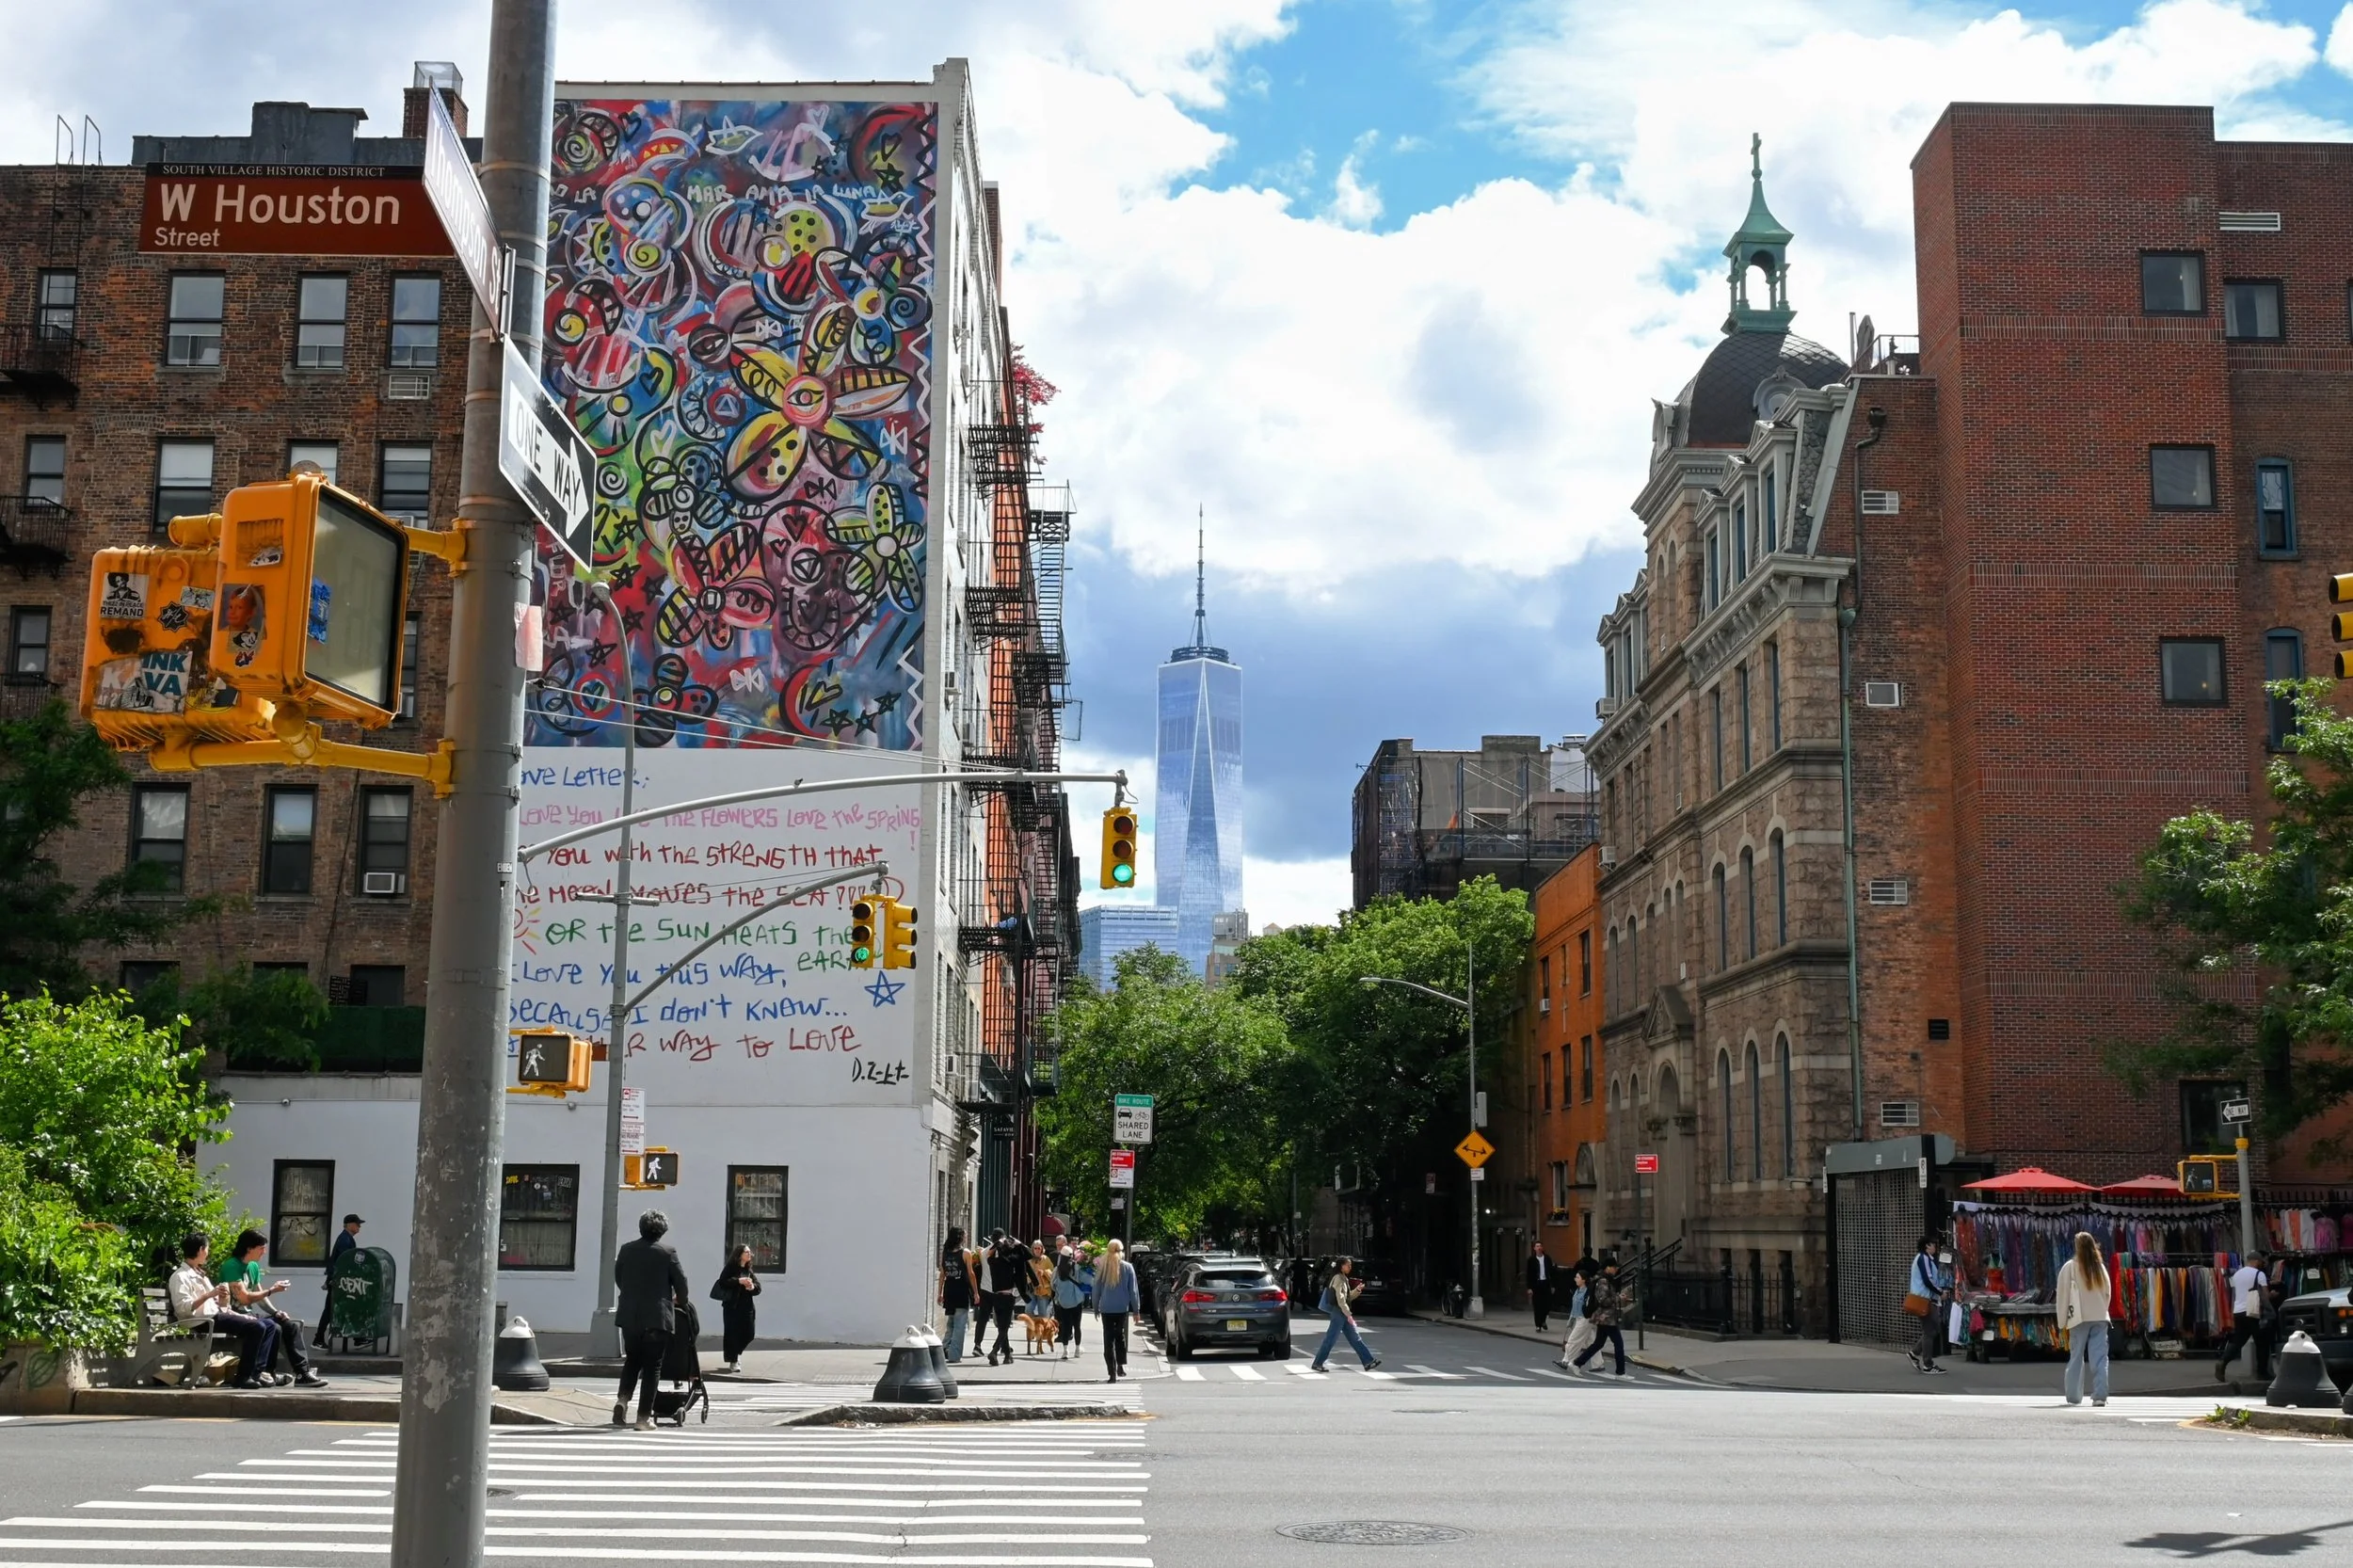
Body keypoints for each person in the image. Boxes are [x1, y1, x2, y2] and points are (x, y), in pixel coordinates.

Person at [217, 1229, 329, 1387]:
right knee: (274, 1328)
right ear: (249, 1248)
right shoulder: (232, 1266)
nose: (264, 1252)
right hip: (235, 1316)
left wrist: (276, 1312)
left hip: (250, 1314)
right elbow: (244, 1297)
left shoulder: (253, 1266)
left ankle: (302, 1373)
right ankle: (266, 1373)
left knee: (290, 1325)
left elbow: (259, 1296)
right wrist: (272, 1290)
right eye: (261, 1248)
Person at [613, 1208, 690, 1431]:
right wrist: (680, 1300)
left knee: (632, 1361)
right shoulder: (667, 1252)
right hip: (657, 1316)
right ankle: (643, 1418)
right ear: (662, 1231)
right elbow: (681, 1282)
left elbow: (619, 1277)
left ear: (641, 1227)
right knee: (652, 1367)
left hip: (630, 1315)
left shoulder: (626, 1250)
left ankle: (622, 1400)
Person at [168, 1234, 278, 1388]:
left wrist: (225, 1304)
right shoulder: (180, 1276)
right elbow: (183, 1308)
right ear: (201, 1250)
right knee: (257, 1327)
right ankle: (243, 1377)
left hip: (215, 1316)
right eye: (207, 1249)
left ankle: (256, 1373)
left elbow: (215, 1305)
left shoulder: (199, 1274)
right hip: (202, 1322)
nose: (208, 1253)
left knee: (270, 1325)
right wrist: (209, 1295)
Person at [2054, 1230, 2111, 1407]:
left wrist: (2062, 1320)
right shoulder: (2099, 1267)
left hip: (2078, 1318)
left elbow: (2062, 1295)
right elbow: (2107, 1292)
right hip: (2100, 1317)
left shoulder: (2070, 1267)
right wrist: (2103, 1309)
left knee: (2076, 1357)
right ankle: (2100, 1395)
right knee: (2100, 1357)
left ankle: (2073, 1396)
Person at [1308, 1256, 1381, 1373]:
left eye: (1350, 1265)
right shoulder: (1338, 1278)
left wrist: (1357, 1290)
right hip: (1339, 1312)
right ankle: (1318, 1363)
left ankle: (1368, 1361)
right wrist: (1348, 1314)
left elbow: (1348, 1298)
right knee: (1330, 1339)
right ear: (1341, 1266)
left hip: (1342, 1311)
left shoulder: (1343, 1278)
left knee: (1355, 1338)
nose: (1350, 1267)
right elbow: (1341, 1299)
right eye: (1348, 1265)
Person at [2216, 1248, 2274, 1383]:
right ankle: (2262, 1373)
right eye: (2260, 1262)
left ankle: (2223, 1362)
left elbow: (2235, 1293)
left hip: (2239, 1311)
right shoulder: (2259, 1274)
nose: (2261, 1264)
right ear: (2255, 1261)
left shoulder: (2237, 1274)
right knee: (2262, 1343)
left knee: (2238, 1341)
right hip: (2253, 1312)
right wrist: (2273, 1295)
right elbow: (2265, 1294)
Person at [1570, 1259, 1628, 1376]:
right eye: (1614, 1267)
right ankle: (1621, 1372)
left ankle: (1577, 1363)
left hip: (1605, 1317)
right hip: (1606, 1317)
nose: (1616, 1270)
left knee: (1598, 1343)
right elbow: (1603, 1300)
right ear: (1607, 1268)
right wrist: (1618, 1298)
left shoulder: (1603, 1279)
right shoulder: (1603, 1281)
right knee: (1618, 1343)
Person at [312, 1214, 363, 1347]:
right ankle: (318, 1339)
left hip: (340, 1280)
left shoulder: (346, 1238)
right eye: (357, 1224)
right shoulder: (345, 1240)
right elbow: (343, 1262)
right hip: (340, 1281)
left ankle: (357, 1338)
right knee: (332, 1309)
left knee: (343, 1308)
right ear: (349, 1224)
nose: (359, 1227)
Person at [710, 1244, 761, 1374]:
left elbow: (758, 1287)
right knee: (732, 1334)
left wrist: (752, 1287)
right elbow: (723, 1281)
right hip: (732, 1307)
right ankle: (734, 1360)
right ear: (739, 1254)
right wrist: (739, 1281)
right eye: (747, 1252)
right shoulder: (731, 1267)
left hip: (747, 1307)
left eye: (750, 1252)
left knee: (749, 1333)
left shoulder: (749, 1270)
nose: (750, 1254)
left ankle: (737, 1353)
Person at [1093, 1239, 1138, 1382]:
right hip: (1121, 1309)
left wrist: (1095, 1307)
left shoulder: (1103, 1268)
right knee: (1120, 1337)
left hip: (1106, 1308)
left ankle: (1111, 1373)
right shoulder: (1128, 1267)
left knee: (1108, 1339)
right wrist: (1136, 1310)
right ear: (1121, 1251)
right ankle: (1120, 1365)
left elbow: (1096, 1289)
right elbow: (1133, 1291)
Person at [1908, 1236, 1952, 1375]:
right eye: (1933, 1244)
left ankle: (1914, 1353)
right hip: (1925, 1299)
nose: (1935, 1247)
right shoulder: (1924, 1258)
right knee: (1930, 1331)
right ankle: (1928, 1364)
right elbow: (1928, 1279)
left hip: (1926, 1299)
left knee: (1933, 1329)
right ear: (1927, 1246)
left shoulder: (1925, 1258)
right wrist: (1940, 1292)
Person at [983, 1229, 1028, 1366]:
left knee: (1002, 1326)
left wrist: (997, 1244)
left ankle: (1007, 1355)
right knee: (1005, 1327)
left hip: (996, 1296)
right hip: (1008, 1296)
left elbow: (989, 1254)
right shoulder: (1011, 1261)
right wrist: (1019, 1244)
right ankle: (994, 1351)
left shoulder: (992, 1261)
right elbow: (1026, 1255)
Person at [938, 1228, 977, 1362]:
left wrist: (940, 1293)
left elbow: (943, 1274)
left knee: (951, 1324)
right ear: (960, 1237)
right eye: (965, 1235)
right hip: (961, 1291)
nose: (966, 1237)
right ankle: (954, 1355)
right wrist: (976, 1293)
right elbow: (971, 1274)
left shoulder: (946, 1253)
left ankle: (943, 1350)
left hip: (949, 1290)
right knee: (960, 1325)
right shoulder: (965, 1253)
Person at [1052, 1245, 1088, 1358]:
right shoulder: (1076, 1268)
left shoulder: (1057, 1270)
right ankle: (1077, 1350)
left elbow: (1053, 1285)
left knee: (1066, 1326)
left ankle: (1065, 1351)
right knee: (1077, 1326)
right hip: (1076, 1301)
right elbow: (1084, 1279)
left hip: (1063, 1302)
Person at [1526, 1241, 1556, 1333]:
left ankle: (1543, 1320)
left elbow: (1552, 1272)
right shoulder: (1531, 1260)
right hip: (1536, 1284)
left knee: (1547, 1303)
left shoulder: (1547, 1258)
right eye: (1537, 1246)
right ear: (1534, 1248)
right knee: (1537, 1304)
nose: (1539, 1248)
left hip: (1545, 1283)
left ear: (1542, 1248)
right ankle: (1538, 1324)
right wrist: (1529, 1287)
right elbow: (1529, 1274)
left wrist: (1552, 1285)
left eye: (1540, 1246)